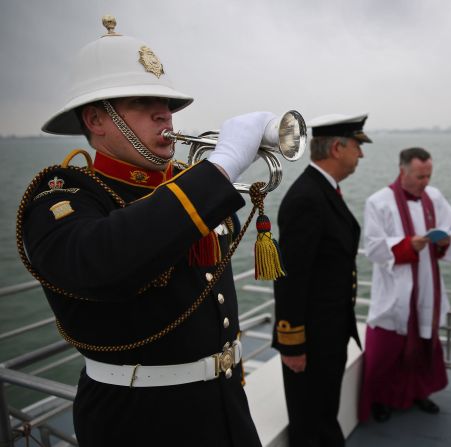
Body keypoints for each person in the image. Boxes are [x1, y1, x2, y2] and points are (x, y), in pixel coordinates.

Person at [17, 16, 275, 446]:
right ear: (96, 119)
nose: (165, 114)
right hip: (141, 420)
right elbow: (102, 261)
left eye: (168, 103)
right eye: (142, 101)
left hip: (226, 403)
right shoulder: (62, 196)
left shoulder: (184, 185)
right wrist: (221, 166)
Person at [272, 113, 369, 446]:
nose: (362, 154)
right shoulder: (307, 199)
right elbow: (291, 278)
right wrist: (292, 343)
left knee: (323, 413)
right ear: (338, 148)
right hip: (311, 340)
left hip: (328, 332)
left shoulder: (323, 192)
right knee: (312, 424)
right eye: (358, 146)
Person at [359, 147, 451, 422]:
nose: (425, 183)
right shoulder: (378, 202)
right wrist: (408, 245)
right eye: (420, 177)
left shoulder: (434, 197)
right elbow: (373, 248)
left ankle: (420, 392)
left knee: (423, 345)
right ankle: (381, 399)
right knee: (385, 351)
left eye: (428, 176)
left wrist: (446, 241)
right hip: (396, 287)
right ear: (403, 171)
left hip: (427, 283)